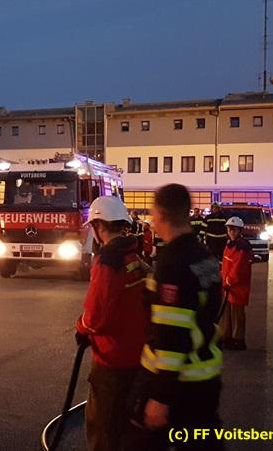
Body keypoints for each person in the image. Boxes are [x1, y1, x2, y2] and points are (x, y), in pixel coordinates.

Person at [128, 184, 223, 450]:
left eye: (152, 213)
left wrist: (160, 397)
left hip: (179, 385)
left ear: (161, 214)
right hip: (206, 379)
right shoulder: (204, 256)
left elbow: (171, 335)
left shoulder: (173, 263)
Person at [74, 196, 148, 451]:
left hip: (111, 358)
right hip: (136, 354)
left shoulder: (108, 261)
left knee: (103, 426)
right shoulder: (132, 254)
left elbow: (96, 316)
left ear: (98, 226)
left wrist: (81, 328)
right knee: (126, 426)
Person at [220, 216, 253, 350]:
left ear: (240, 230)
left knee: (237, 314)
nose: (231, 232)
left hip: (237, 286)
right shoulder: (230, 244)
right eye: (229, 229)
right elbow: (227, 264)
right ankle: (227, 337)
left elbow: (238, 268)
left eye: (234, 229)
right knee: (227, 313)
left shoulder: (241, 247)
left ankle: (238, 340)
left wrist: (229, 281)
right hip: (228, 286)